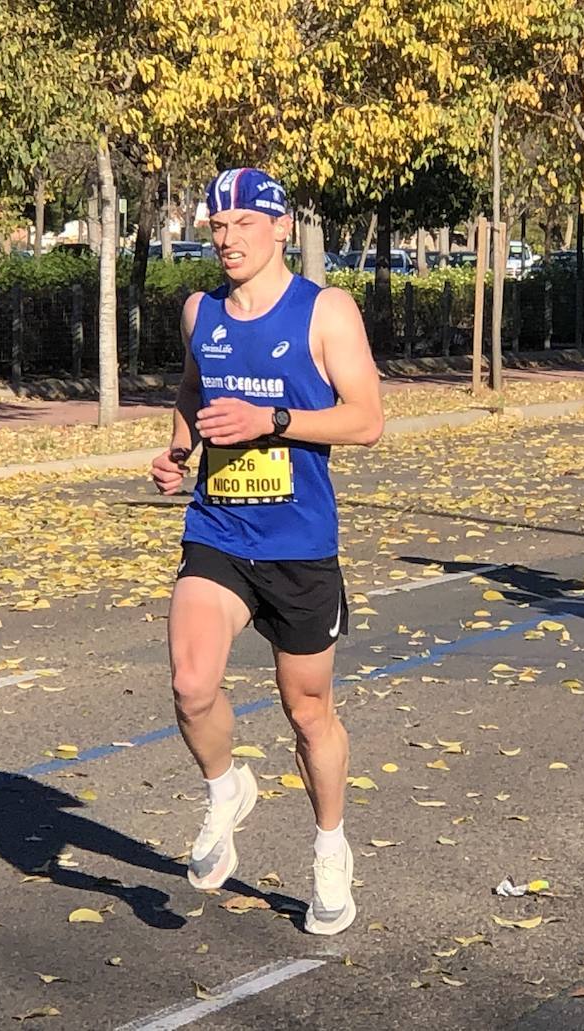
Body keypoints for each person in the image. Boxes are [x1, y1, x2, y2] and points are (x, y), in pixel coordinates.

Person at [149, 168, 383, 936]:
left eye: (243, 222)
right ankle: (226, 789)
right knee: (190, 682)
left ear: (280, 228)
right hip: (219, 528)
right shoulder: (200, 312)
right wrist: (178, 451)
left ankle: (330, 845)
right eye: (216, 226)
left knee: (307, 712)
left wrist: (272, 420)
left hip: (299, 543)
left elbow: (365, 420)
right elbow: (193, 390)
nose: (226, 237)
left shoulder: (327, 312)